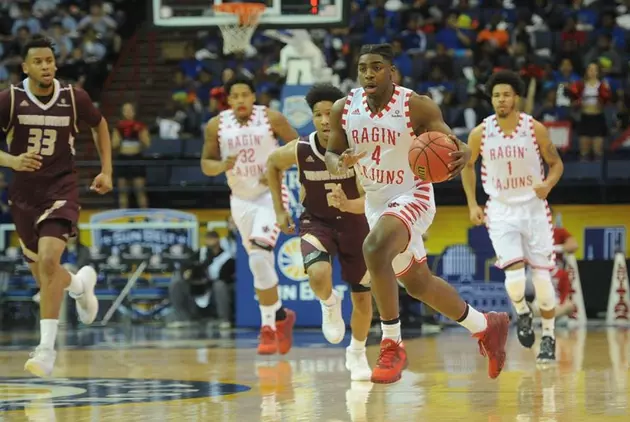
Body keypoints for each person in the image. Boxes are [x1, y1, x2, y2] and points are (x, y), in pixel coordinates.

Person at [325, 43, 510, 384]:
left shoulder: (415, 106)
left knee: (373, 248)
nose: (369, 73)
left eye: (377, 67)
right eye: (363, 67)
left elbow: (453, 143)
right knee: (418, 284)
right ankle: (486, 326)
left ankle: (392, 343)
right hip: (376, 202)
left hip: (414, 194)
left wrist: (465, 151)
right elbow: (332, 154)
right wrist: (340, 162)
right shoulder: (344, 108)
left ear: (391, 71)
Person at [0, 35, 113, 377]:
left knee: (50, 261)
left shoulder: (73, 97)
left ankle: (46, 350)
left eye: (50, 60)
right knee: (47, 276)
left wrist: (106, 170)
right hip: (24, 195)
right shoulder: (9, 100)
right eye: (38, 62)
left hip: (62, 187)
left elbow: (100, 124)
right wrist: (11, 160)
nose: (46, 67)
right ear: (25, 67)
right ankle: (81, 286)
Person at [267, 84, 373, 381]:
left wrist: (349, 203)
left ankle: (358, 351)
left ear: (342, 116)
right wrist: (279, 209)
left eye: (330, 114)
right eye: (318, 115)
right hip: (317, 221)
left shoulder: (359, 148)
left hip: (357, 224)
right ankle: (329, 303)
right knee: (317, 274)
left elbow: (371, 199)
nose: (325, 121)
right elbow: (272, 164)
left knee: (364, 299)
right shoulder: (302, 149)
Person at [461, 70, 565, 363]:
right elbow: (467, 167)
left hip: (533, 208)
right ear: (491, 99)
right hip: (501, 208)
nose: (501, 100)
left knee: (544, 286)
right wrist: (472, 204)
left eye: (506, 94)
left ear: (515, 97)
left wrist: (548, 184)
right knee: (516, 281)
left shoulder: (535, 129)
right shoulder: (480, 133)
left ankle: (549, 337)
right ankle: (521, 312)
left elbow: (556, 164)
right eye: (496, 95)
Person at [201, 76, 300, 355]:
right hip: (240, 201)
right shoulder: (216, 125)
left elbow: (301, 149)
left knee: (257, 258)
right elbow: (206, 165)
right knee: (261, 262)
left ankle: (267, 328)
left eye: (246, 94)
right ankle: (281, 316)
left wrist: (280, 168)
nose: (241, 100)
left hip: (271, 197)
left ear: (254, 97)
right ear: (229, 100)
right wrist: (221, 165)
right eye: (236, 96)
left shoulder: (272, 118)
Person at [112, 102, 150, 209]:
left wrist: (140, 134)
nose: (128, 112)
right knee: (122, 192)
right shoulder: (118, 127)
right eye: (125, 110)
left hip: (136, 158)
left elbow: (147, 143)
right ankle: (124, 219)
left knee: (140, 190)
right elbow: (113, 144)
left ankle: (145, 218)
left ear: (134, 112)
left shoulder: (141, 126)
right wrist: (120, 137)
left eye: (130, 110)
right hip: (123, 159)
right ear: (122, 112)